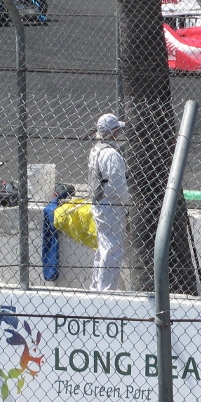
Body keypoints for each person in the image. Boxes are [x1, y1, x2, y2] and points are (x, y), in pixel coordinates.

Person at [88, 113, 128, 292]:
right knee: (113, 248)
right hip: (111, 204)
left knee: (103, 246)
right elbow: (118, 185)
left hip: (99, 202)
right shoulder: (111, 154)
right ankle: (106, 289)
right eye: (117, 129)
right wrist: (128, 203)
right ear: (113, 132)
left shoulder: (96, 150)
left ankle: (97, 286)